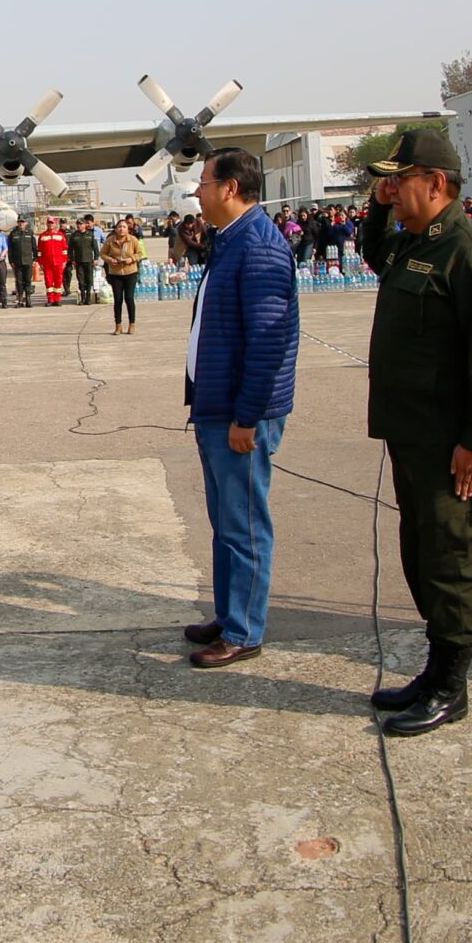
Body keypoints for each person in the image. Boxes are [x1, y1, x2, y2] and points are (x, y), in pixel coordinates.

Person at [356, 128, 472, 734]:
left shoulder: (466, 250)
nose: (392, 191)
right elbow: (376, 254)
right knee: (420, 554)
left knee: (451, 561)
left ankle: (452, 685)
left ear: (438, 183)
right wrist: (377, 202)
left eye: (401, 181)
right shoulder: (415, 244)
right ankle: (434, 669)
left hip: (453, 445)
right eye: (387, 182)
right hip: (413, 437)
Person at [179, 148, 299, 668]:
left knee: (245, 522)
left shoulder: (260, 247)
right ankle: (230, 614)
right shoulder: (230, 242)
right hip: (216, 408)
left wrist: (246, 417)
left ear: (230, 188)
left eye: (204, 183)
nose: (198, 192)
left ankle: (244, 630)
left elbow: (269, 346)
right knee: (226, 520)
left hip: (238, 414)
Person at [102, 216, 143, 333]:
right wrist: (110, 260)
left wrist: (132, 259)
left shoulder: (133, 240)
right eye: (119, 227)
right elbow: (103, 254)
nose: (121, 229)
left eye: (124, 227)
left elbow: (140, 253)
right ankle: (118, 325)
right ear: (115, 229)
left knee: (129, 298)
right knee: (118, 299)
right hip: (115, 274)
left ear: (127, 229)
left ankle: (132, 324)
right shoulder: (110, 240)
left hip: (130, 272)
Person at [69, 213, 101, 304]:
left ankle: (88, 298)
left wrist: (96, 258)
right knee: (81, 281)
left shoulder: (90, 235)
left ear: (85, 225)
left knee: (89, 280)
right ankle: (82, 298)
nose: (79, 226)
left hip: (89, 261)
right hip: (79, 262)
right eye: (78, 224)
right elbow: (70, 249)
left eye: (81, 224)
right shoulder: (74, 235)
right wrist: (72, 260)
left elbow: (95, 248)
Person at [7, 215, 36, 307]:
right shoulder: (13, 234)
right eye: (19, 222)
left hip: (28, 261)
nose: (21, 224)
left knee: (28, 281)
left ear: (26, 223)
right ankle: (20, 300)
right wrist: (11, 261)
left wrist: (35, 259)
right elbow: (10, 249)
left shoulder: (30, 233)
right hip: (17, 262)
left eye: (23, 222)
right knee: (19, 282)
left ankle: (28, 299)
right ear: (17, 223)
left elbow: (34, 248)